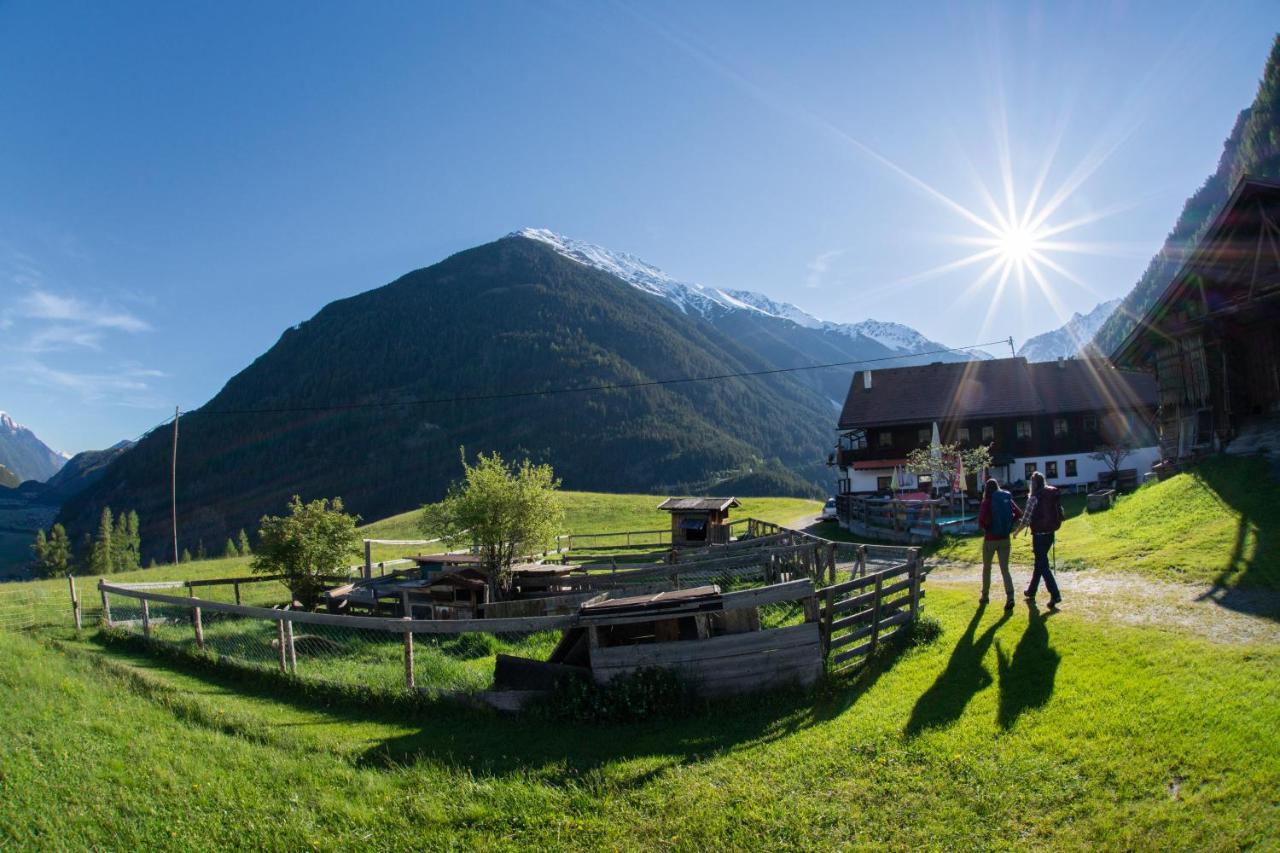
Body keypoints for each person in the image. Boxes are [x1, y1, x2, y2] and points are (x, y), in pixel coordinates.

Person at [1020, 471, 1064, 608]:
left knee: (1043, 565)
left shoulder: (1034, 498)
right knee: (1040, 562)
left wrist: (1016, 532)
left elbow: (1026, 519)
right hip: (1050, 533)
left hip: (1039, 535)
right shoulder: (1050, 494)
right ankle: (1032, 591)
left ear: (1033, 483)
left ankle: (1055, 594)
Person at [976, 478, 1021, 610]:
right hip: (1005, 538)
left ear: (986, 489)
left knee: (987, 568)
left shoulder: (987, 502)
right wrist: (1009, 525)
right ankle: (1010, 596)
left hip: (990, 539)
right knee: (1005, 569)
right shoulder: (1005, 498)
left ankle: (985, 595)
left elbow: (981, 521)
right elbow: (1018, 513)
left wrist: (987, 527)